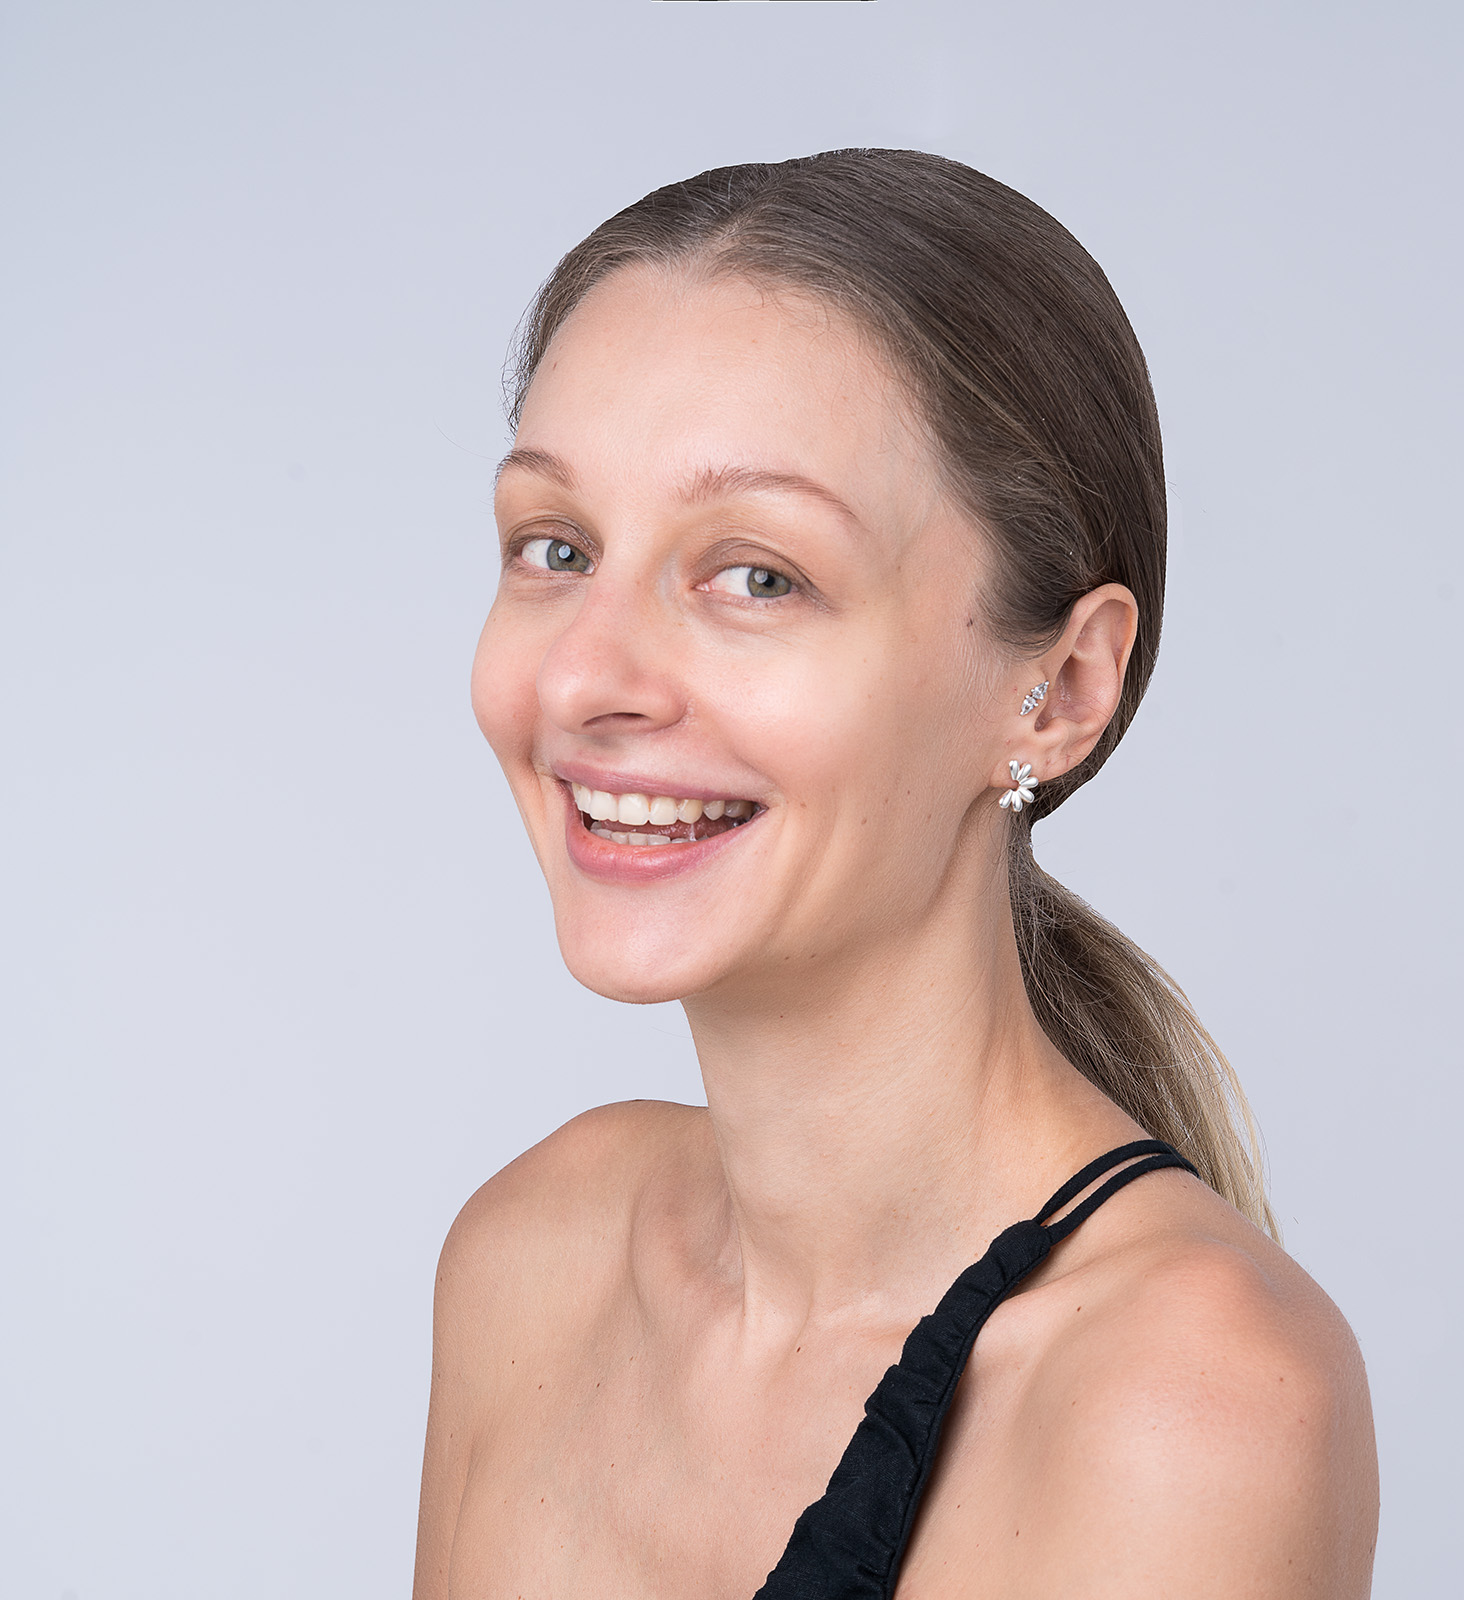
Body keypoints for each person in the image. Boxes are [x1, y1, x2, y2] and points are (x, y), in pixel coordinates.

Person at [413, 149, 1378, 1599]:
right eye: (556, 547)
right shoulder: (533, 1258)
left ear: (1060, 688)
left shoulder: (1185, 1400)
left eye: (759, 575)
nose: (584, 678)